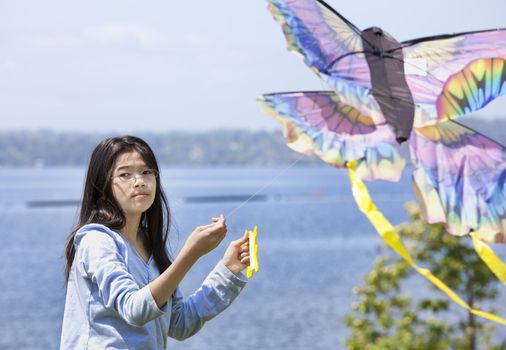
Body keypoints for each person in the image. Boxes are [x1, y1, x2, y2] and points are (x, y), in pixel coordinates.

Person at [60, 135, 250, 349]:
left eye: (147, 172)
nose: (139, 180)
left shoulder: (150, 244)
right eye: (125, 174)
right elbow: (134, 308)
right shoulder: (97, 241)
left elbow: (180, 323)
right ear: (103, 186)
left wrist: (229, 272)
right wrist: (191, 254)